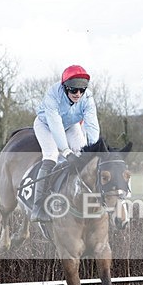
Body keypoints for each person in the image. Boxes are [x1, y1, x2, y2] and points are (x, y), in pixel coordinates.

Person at [31, 64, 100, 222]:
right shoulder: (53, 95)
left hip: (70, 126)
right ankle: (38, 207)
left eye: (81, 90)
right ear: (65, 88)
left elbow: (92, 125)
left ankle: (81, 200)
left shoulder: (88, 99)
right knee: (52, 155)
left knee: (84, 156)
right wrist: (66, 151)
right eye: (73, 90)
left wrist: (95, 150)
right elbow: (55, 126)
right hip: (46, 125)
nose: (78, 94)